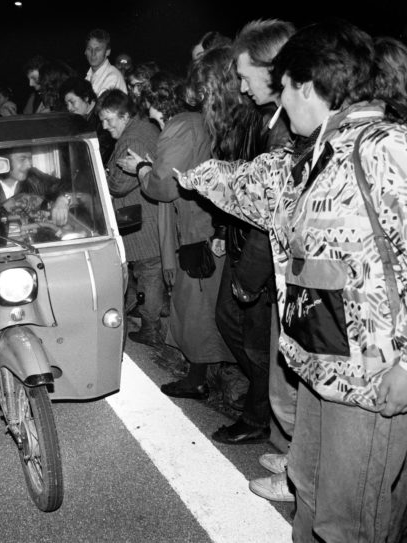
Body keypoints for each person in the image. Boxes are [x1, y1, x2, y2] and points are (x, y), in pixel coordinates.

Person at [176, 20, 407, 542]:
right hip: (320, 370)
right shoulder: (314, 155)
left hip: (371, 381)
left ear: (306, 85)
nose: (275, 103)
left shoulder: (385, 149)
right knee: (309, 493)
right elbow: (249, 185)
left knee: (348, 522)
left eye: (281, 89)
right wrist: (187, 176)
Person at [118, 50, 236, 398]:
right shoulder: (196, 122)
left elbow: (164, 186)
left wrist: (141, 169)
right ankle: (203, 371)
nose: (151, 120)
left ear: (158, 104)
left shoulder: (179, 127)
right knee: (197, 302)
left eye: (151, 112)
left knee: (193, 303)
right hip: (201, 225)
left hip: (195, 230)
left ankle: (198, 378)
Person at [221, 18, 298, 502]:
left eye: (247, 76)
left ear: (276, 71)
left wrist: (248, 277)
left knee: (287, 376)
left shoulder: (288, 129)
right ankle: (293, 458)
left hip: (282, 271)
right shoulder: (276, 121)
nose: (242, 87)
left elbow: (269, 215)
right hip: (281, 270)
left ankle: (298, 474)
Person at [96, 89, 164, 345]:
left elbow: (119, 184)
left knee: (149, 272)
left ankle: (151, 328)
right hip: (147, 215)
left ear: (124, 115)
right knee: (148, 272)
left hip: (145, 220)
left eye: (109, 119)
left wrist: (108, 173)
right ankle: (146, 314)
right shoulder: (141, 129)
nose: (104, 126)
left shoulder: (133, 139)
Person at [0, 147, 69, 244]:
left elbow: (65, 187)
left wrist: (62, 200)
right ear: (4, 161)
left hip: (36, 247)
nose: (29, 165)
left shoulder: (35, 178)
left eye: (30, 158)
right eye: (23, 159)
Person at [59, 76, 114, 165]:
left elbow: (98, 156)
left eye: (72, 102)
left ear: (86, 97)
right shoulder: (78, 118)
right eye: (66, 104)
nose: (69, 108)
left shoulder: (102, 121)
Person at [84, 28, 127, 97]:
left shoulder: (112, 77)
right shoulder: (88, 76)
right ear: (85, 51)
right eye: (89, 49)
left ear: (107, 52)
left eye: (97, 49)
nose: (93, 54)